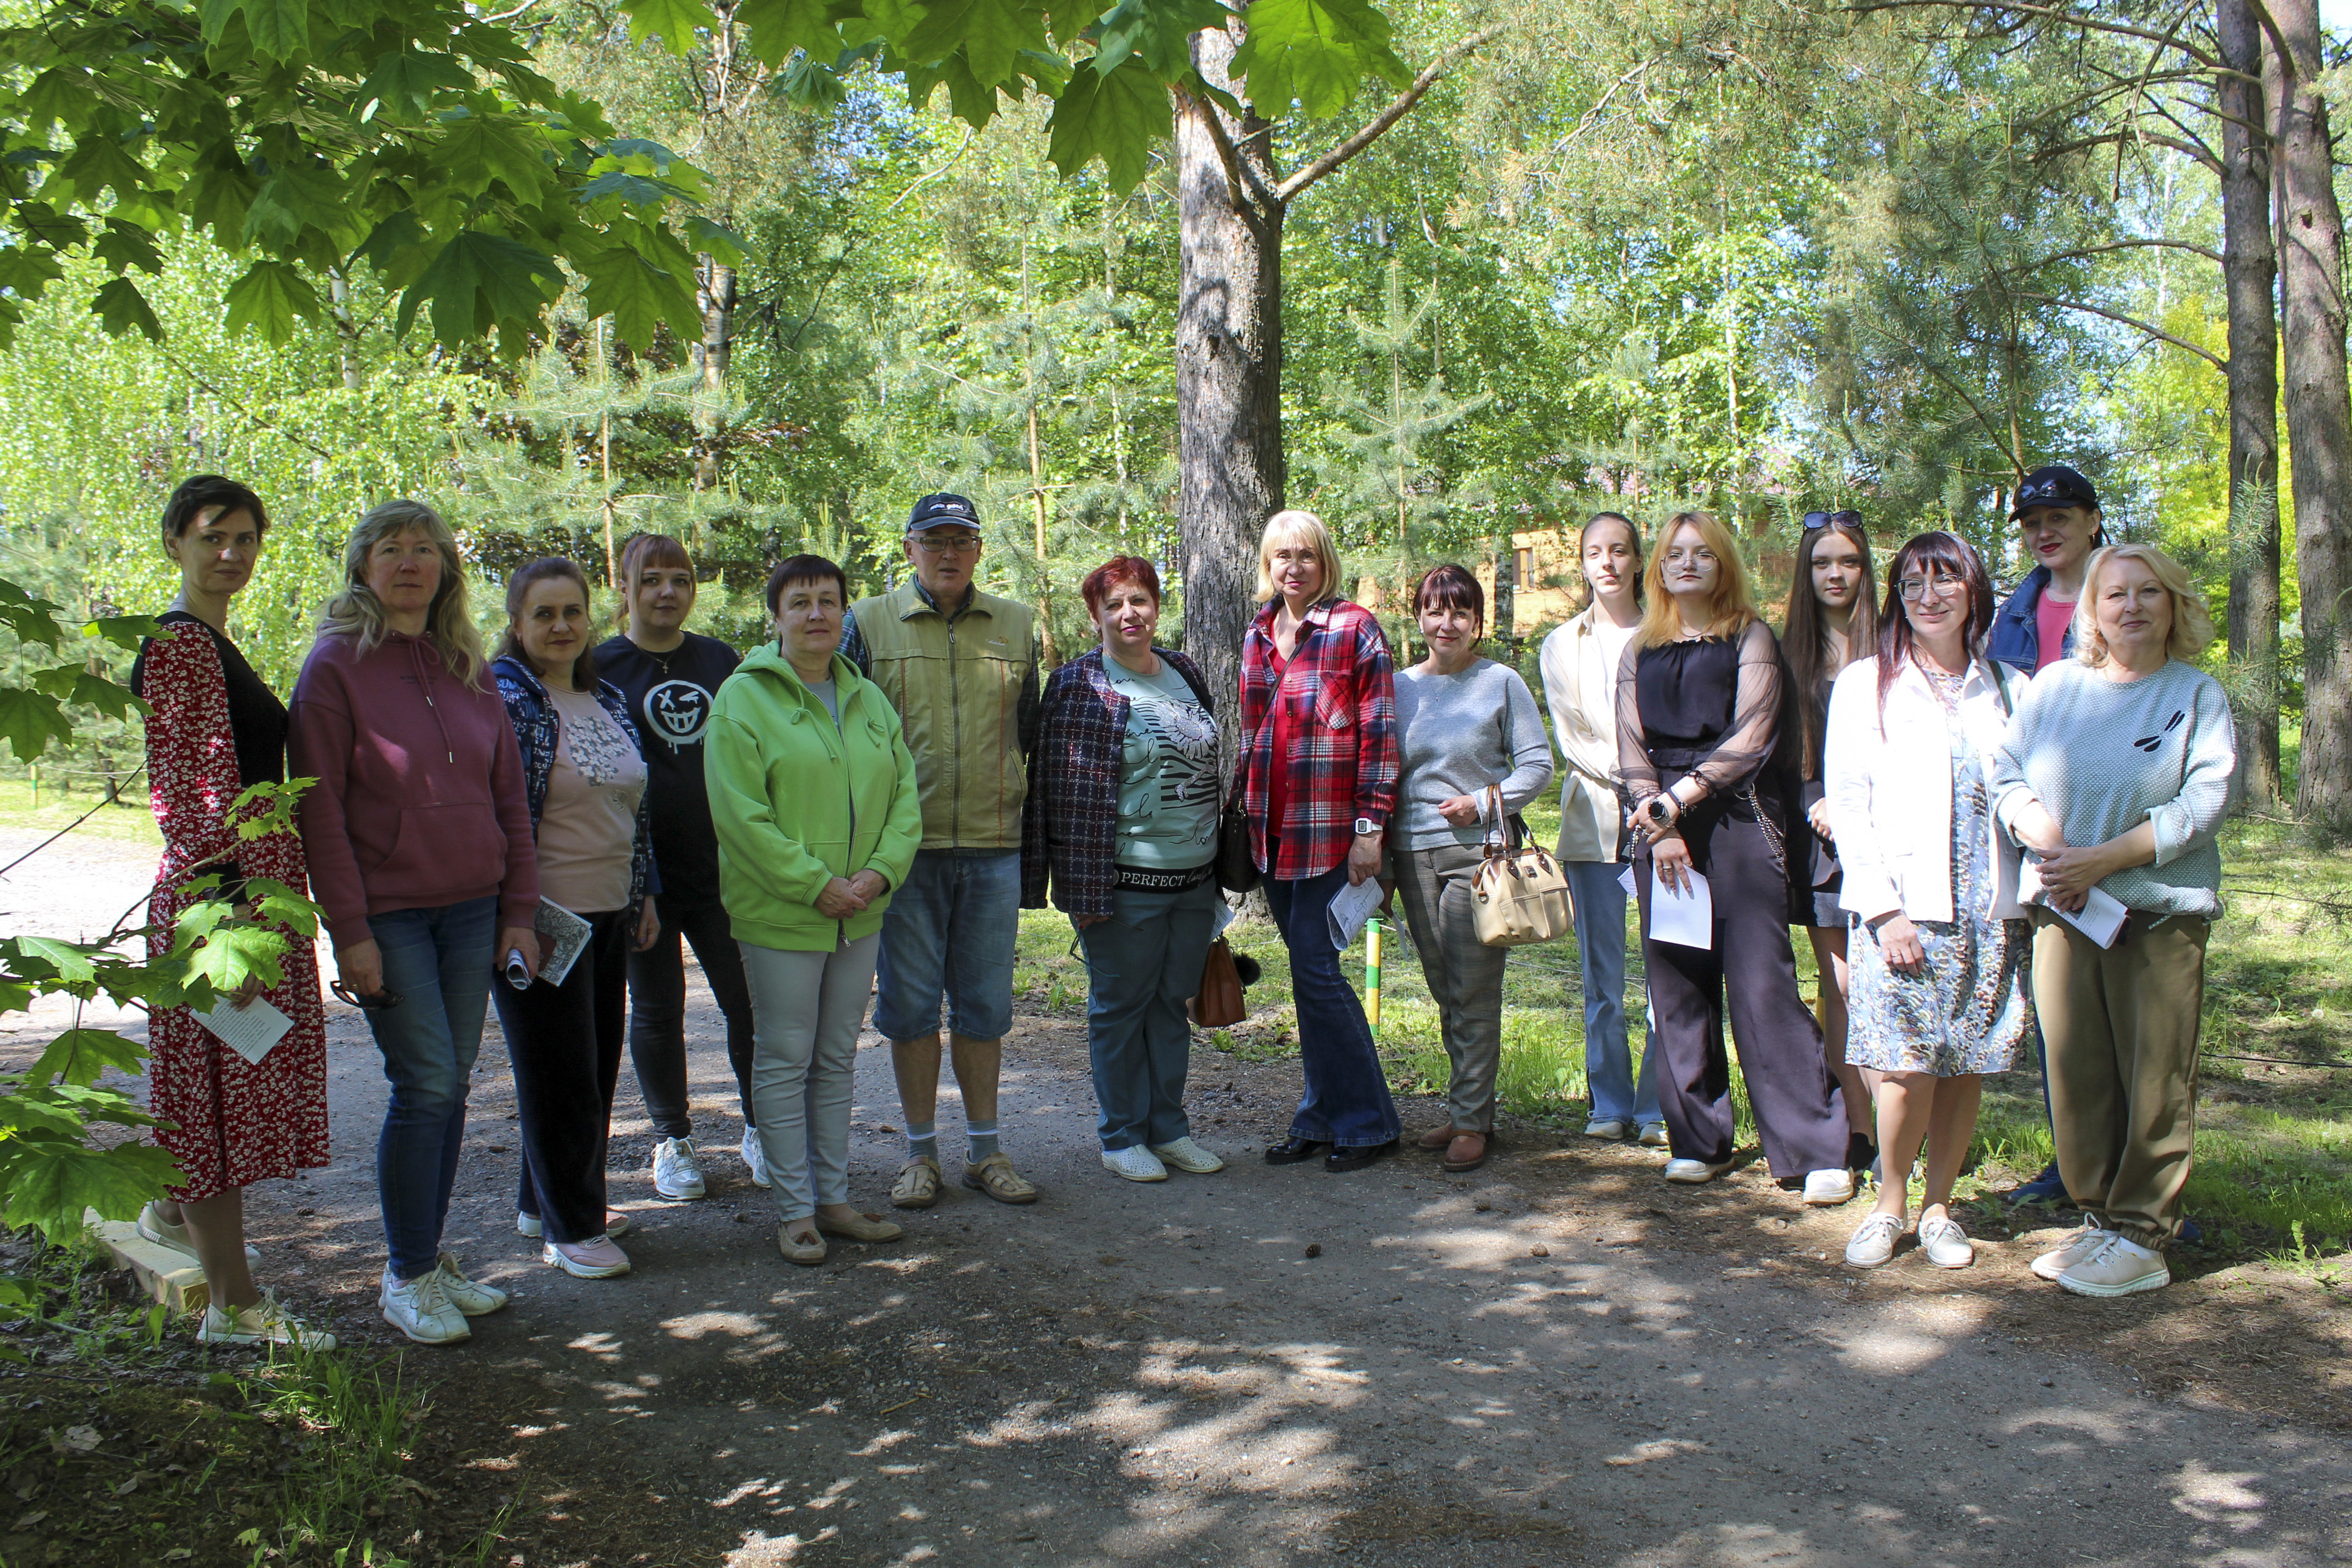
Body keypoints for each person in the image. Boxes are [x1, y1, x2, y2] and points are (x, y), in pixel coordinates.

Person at [289, 498, 541, 1346]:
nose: (409, 563)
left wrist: (517, 912)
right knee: (428, 1082)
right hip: (389, 915)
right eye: (391, 549)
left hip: (473, 909)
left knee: (453, 1083)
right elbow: (318, 811)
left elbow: (510, 793)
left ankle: (428, 1260)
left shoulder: (465, 664)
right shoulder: (333, 669)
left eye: (425, 550)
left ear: (445, 570)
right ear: (362, 566)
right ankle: (404, 1274)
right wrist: (348, 930)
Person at [1992, 544, 2235, 1297]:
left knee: (2153, 1075)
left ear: (2172, 604)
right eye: (2113, 595)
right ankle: (2097, 1218)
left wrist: (2102, 860)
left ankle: (2143, 1233)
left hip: (2157, 918)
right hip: (2065, 911)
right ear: (2092, 612)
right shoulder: (2054, 689)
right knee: (2076, 1072)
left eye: (2146, 593)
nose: (2130, 606)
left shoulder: (2194, 696)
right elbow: (2003, 774)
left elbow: (2200, 804)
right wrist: (2055, 848)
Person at [130, 475, 333, 1349]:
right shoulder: (180, 646)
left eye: (248, 538)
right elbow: (186, 799)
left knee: (219, 1090)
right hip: (224, 909)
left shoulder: (215, 644)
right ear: (175, 541)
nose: (233, 554)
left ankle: (174, 1213)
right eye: (214, 536)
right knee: (213, 1105)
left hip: (244, 896)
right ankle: (235, 1310)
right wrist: (223, 926)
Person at [1617, 510, 1853, 1202]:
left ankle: (1812, 1150)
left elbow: (1751, 737)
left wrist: (1675, 802)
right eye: (1674, 554)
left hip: (1740, 824)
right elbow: (1628, 745)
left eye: (1702, 554)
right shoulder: (1640, 648)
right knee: (1678, 985)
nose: (1686, 564)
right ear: (1657, 567)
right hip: (1658, 830)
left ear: (1723, 565)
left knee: (1761, 986)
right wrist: (1657, 823)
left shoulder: (1749, 636)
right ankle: (1698, 1139)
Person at [1825, 532, 2033, 1269]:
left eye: (1944, 580)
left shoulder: (2008, 686)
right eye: (1911, 585)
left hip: (1988, 910)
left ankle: (1940, 1205)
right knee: (1903, 1064)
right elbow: (1847, 804)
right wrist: (1883, 911)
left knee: (1963, 1062)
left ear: (1972, 590)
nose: (1927, 596)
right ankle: (1887, 1204)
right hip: (1903, 908)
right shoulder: (1864, 683)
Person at [709, 555, 922, 1264]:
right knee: (783, 1057)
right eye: (799, 602)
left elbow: (903, 802)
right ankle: (793, 1210)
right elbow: (741, 816)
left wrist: (876, 874)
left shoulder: (866, 697)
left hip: (859, 910)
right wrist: (814, 883)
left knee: (835, 1058)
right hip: (783, 913)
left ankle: (833, 1200)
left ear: (843, 613)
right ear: (775, 617)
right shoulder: (742, 700)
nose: (815, 614)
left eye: (828, 601)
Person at [837, 494, 1043, 1210]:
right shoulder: (863, 623)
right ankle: (919, 1155)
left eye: (961, 540)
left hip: (992, 846)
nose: (948, 553)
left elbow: (1031, 736)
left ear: (980, 550)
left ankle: (986, 1151)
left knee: (984, 1007)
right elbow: (836, 729)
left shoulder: (1017, 625)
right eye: (934, 541)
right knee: (911, 1006)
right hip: (903, 852)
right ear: (909, 547)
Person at [1023, 557, 1227, 1183]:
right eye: (1112, 605)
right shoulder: (1075, 684)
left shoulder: (1184, 671)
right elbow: (1056, 791)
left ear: (1155, 606)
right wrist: (1075, 889)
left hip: (1193, 882)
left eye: (1137, 600)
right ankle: (1119, 1136)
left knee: (1170, 1007)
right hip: (1121, 884)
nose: (1127, 614)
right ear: (1094, 616)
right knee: (1119, 1008)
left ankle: (1168, 1129)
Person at [490, 559, 661, 1280]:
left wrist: (643, 891)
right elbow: (499, 812)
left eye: (572, 612)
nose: (560, 626)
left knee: (590, 1065)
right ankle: (572, 1225)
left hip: (606, 909)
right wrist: (513, 913)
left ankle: (547, 1202)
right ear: (518, 624)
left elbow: (635, 807)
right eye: (544, 614)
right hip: (541, 917)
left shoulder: (607, 697)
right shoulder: (506, 698)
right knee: (556, 1073)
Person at [1237, 510, 1404, 1172]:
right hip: (1271, 834)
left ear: (1323, 561)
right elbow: (1253, 736)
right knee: (1310, 979)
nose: (1293, 567)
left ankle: (1368, 1122)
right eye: (1281, 556)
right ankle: (1320, 1114)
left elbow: (1379, 736)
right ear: (1267, 564)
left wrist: (1371, 828)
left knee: (1315, 970)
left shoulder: (1355, 628)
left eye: (1304, 555)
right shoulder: (1255, 633)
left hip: (1332, 836)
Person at [594, 533, 755, 1202]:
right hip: (642, 880)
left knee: (749, 1006)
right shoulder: (597, 666)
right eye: (651, 578)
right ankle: (674, 1139)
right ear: (624, 588)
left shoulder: (720, 660)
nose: (666, 591)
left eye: (680, 579)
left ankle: (763, 1128)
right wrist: (639, 880)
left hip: (726, 872)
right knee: (656, 1010)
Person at [1390, 564, 1553, 1174]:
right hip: (1411, 854)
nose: (1446, 623)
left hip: (1479, 856)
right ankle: (1466, 1109)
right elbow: (1384, 773)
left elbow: (1537, 765)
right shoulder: (1398, 686)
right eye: (1435, 610)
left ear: (1477, 621)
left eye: (1459, 612)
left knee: (1475, 988)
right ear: (1420, 617)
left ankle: (1472, 1120)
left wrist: (1484, 801)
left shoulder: (1501, 682)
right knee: (1443, 987)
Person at [1988, 463, 2107, 1207]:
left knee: (2127, 1016)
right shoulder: (2014, 614)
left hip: (2116, 832)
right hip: (2038, 833)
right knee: (2056, 1011)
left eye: (2059, 516)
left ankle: (2137, 1179)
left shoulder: (2125, 592)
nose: (2044, 531)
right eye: (2032, 522)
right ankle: (2071, 1165)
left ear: (2092, 519)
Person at [1539, 513, 1664, 1147]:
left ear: (1638, 560)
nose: (1607, 562)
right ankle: (1608, 1102)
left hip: (1666, 827)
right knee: (1601, 978)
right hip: (1593, 821)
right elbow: (1574, 740)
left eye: (1619, 551)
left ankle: (1655, 1108)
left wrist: (1659, 800)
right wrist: (1638, 782)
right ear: (1582, 561)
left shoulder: (1667, 633)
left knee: (1664, 970)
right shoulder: (1560, 644)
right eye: (1594, 552)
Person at [1783, 510, 1880, 1172]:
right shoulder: (1788, 650)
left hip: (1889, 836)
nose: (1834, 574)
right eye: (1821, 563)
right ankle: (1859, 1125)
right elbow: (1780, 752)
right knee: (1841, 983)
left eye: (1846, 562)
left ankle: (1906, 1120)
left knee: (1887, 983)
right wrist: (1813, 800)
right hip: (1818, 838)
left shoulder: (1895, 645)